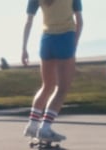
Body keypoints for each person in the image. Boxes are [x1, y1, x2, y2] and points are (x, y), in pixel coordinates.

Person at [22, 0, 83, 141]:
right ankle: (45, 128)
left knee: (47, 86)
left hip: (47, 39)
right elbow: (79, 21)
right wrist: (74, 44)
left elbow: (28, 22)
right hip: (65, 37)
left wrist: (24, 49)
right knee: (62, 89)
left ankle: (32, 125)